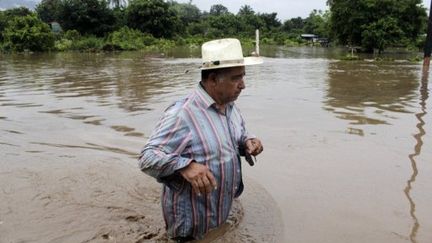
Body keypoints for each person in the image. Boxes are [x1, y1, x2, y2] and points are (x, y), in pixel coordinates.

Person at [138, 38, 264, 242]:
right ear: (213, 79)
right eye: (236, 78)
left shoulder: (230, 106)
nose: (243, 85)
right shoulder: (182, 114)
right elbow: (147, 158)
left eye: (243, 76)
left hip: (220, 213)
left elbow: (237, 134)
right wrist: (185, 167)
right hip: (191, 228)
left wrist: (247, 141)